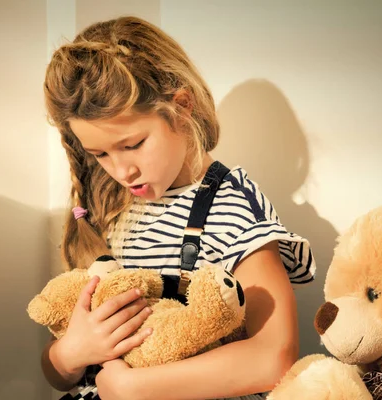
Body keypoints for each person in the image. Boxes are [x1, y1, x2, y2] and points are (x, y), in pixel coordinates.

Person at [40, 16, 315, 400]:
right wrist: (70, 354)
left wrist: (135, 387)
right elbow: (59, 375)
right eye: (100, 154)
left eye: (132, 144)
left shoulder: (232, 205)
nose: (122, 170)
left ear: (181, 107)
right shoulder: (107, 204)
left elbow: (274, 356)